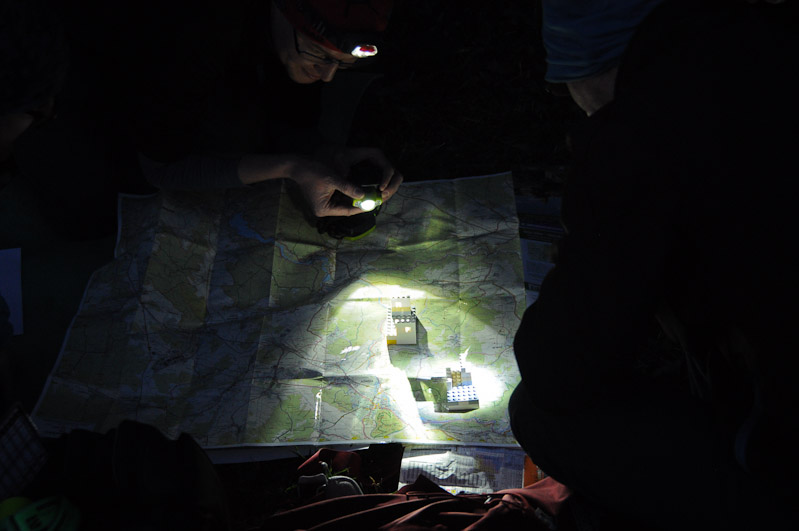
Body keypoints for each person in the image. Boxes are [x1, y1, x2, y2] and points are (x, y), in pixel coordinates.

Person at [509, 0, 799, 529]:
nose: (572, 104)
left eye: (566, 87)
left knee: (535, 411)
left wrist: (589, 244)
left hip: (790, 460)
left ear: (589, 67)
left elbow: (558, 371)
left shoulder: (642, 138)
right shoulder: (772, 49)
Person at [120, 0, 403, 218]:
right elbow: (160, 169)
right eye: (319, 54)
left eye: (342, 63)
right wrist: (291, 167)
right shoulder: (195, 40)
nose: (327, 75)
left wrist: (324, 153)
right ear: (282, 11)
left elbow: (292, 121)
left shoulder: (297, 46)